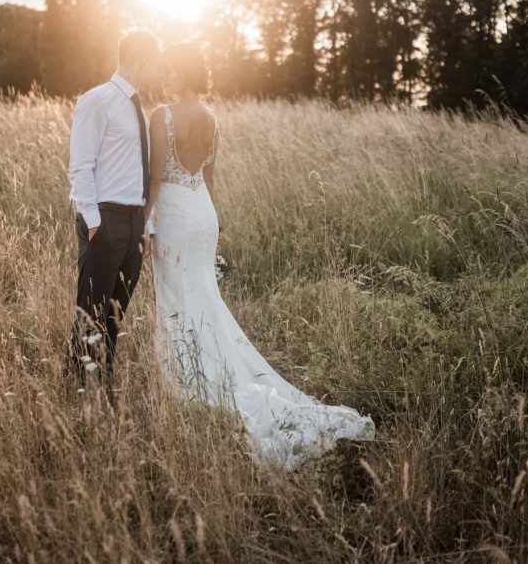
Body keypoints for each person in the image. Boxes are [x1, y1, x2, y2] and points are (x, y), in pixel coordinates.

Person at [145, 42, 376, 471]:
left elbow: (156, 178)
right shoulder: (212, 118)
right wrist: (212, 224)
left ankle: (190, 381)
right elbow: (210, 178)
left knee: (178, 297)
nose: (164, 76)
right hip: (203, 214)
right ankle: (205, 367)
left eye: (170, 69)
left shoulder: (162, 116)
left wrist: (144, 223)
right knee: (204, 296)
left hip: (175, 214)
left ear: (185, 71)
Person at [65, 30, 161, 404]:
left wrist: (146, 225)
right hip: (105, 220)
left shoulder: (140, 108)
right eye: (154, 63)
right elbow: (80, 165)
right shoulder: (98, 100)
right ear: (142, 59)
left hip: (134, 221)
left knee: (114, 315)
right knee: (90, 313)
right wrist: (93, 221)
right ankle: (75, 391)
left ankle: (104, 387)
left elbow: (138, 172)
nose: (156, 72)